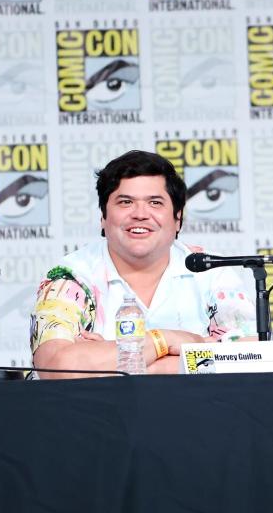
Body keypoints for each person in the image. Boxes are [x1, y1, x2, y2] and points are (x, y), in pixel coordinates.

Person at [30, 150, 255, 377]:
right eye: (126, 202)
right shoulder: (72, 276)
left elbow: (249, 360)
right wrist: (165, 340)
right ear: (103, 217)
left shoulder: (210, 270)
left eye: (155, 203)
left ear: (178, 218)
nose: (140, 214)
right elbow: (53, 367)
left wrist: (111, 360)